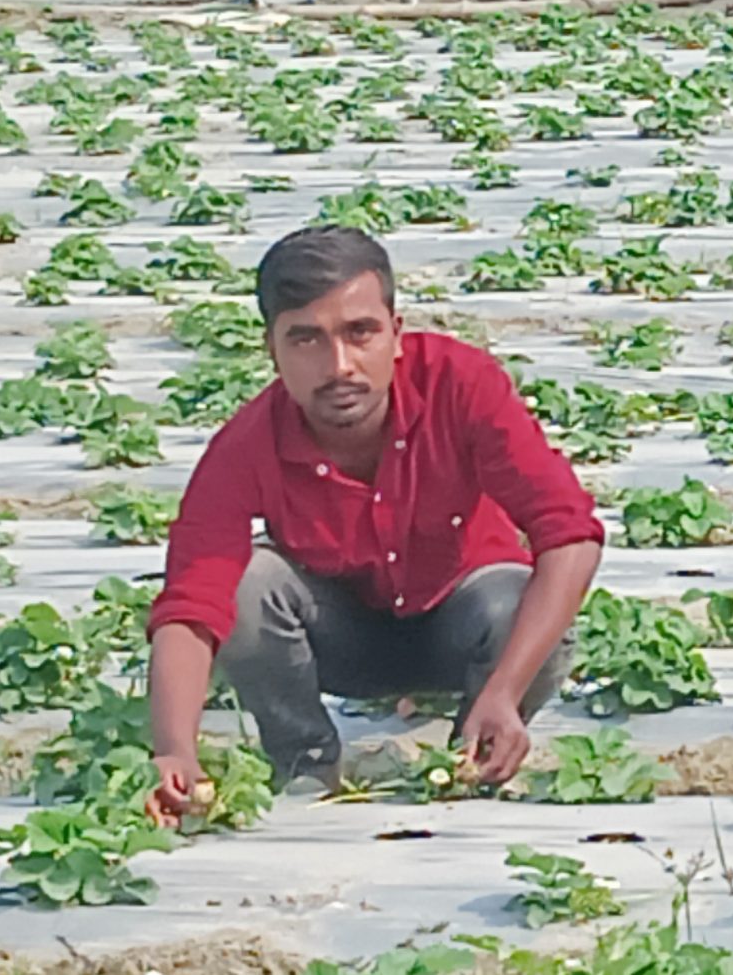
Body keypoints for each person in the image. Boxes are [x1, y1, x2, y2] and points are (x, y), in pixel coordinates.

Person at [141, 225, 606, 825]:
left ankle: (475, 750)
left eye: (360, 333)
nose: (339, 366)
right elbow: (189, 606)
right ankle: (305, 764)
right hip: (341, 640)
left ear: (396, 333)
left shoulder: (460, 386)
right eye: (305, 339)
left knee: (518, 599)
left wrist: (504, 690)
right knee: (244, 582)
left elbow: (568, 533)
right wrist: (174, 749)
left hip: (461, 620)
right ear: (272, 351)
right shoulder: (249, 443)